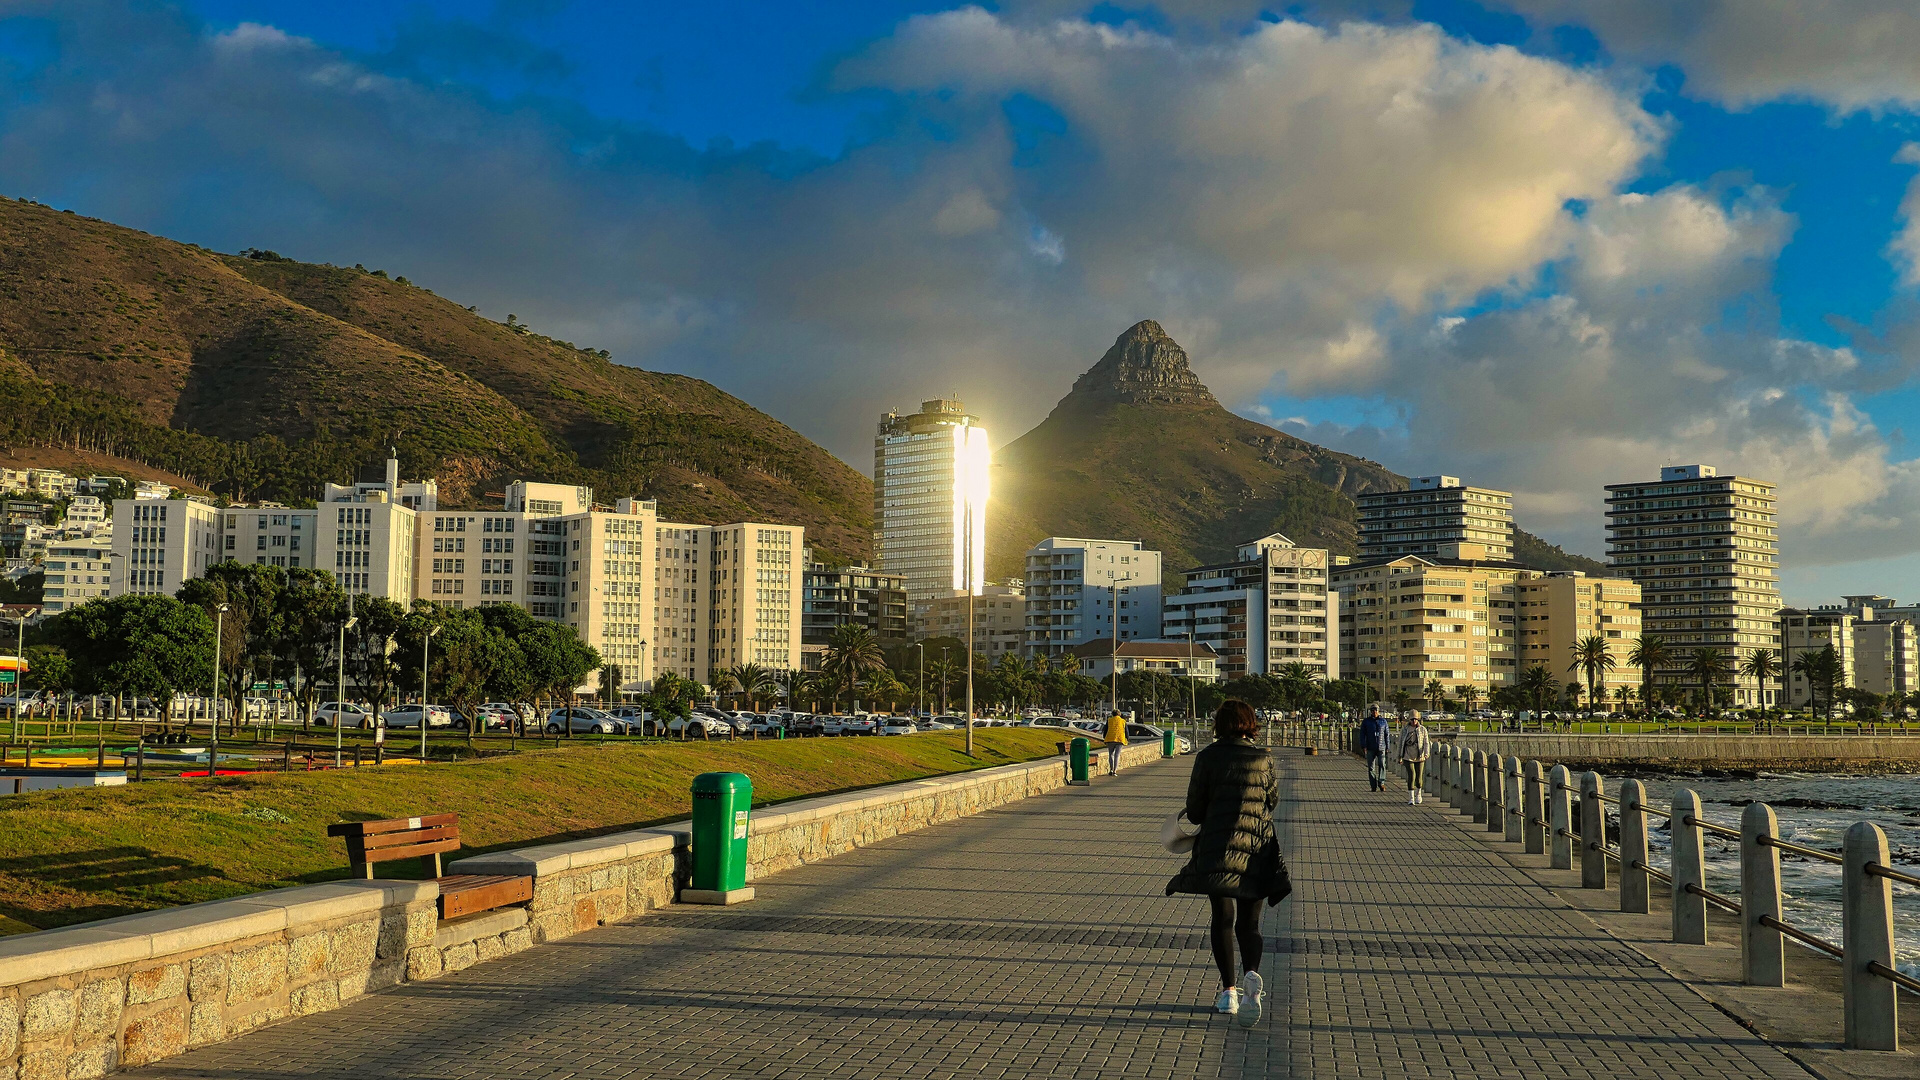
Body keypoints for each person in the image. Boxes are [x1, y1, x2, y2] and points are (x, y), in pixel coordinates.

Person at [1166, 700, 1290, 1028]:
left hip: (1217, 849)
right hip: (1255, 849)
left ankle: (1229, 992)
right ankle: (1252, 979)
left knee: (1222, 919)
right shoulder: (1264, 758)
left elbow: (1194, 810)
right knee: (1249, 925)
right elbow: (1272, 800)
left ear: (1219, 724)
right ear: (1251, 723)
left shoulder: (1207, 757)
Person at [1396, 713, 1431, 805]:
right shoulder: (1405, 730)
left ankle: (1418, 794)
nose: (1414, 721)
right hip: (1408, 755)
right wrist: (1399, 756)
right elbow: (1400, 743)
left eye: (1416, 719)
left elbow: (1426, 742)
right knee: (1411, 775)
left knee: (1419, 778)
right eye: (1412, 719)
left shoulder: (1422, 729)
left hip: (1419, 756)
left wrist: (1426, 753)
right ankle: (1411, 797)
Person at [1358, 704, 1391, 792]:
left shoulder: (1383, 721)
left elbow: (1386, 735)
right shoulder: (1366, 722)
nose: (1374, 712)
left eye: (1376, 710)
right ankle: (1373, 785)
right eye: (1372, 710)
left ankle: (1381, 782)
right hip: (1370, 747)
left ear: (1378, 711)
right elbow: (1362, 735)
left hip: (1381, 747)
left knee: (1382, 764)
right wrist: (1363, 746)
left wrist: (1388, 746)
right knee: (1371, 767)